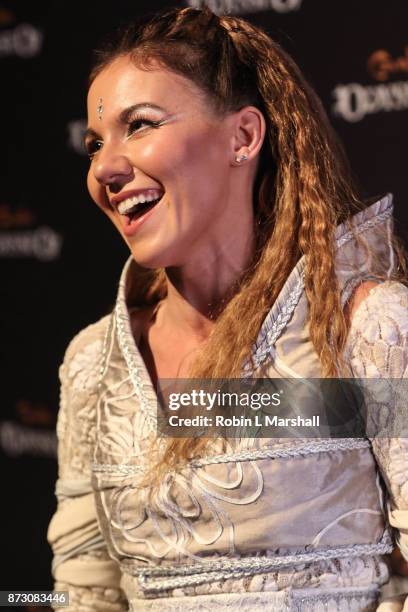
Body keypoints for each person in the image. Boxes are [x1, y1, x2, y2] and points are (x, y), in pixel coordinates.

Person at [47, 6, 408, 611]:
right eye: (94, 143)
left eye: (139, 125)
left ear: (242, 137)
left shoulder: (370, 329)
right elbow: (84, 594)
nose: (105, 167)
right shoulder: (92, 364)